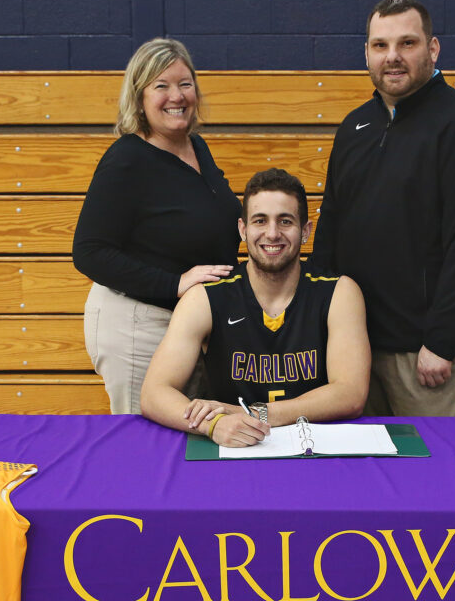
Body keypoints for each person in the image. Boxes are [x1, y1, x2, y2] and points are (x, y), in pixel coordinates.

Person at [310, 0, 455, 417]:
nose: (392, 57)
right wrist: (317, 326)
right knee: (363, 478)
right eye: (380, 45)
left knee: (440, 478)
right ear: (366, 53)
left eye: (407, 44)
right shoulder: (354, 128)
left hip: (429, 357)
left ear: (432, 49)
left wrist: (441, 341)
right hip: (355, 351)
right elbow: (330, 235)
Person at [141, 168, 370, 447]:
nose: (272, 234)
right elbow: (154, 393)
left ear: (306, 231)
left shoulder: (339, 292)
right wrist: (213, 424)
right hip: (233, 445)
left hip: (315, 445)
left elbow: (350, 394)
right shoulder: (205, 297)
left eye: (285, 221)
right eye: (260, 221)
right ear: (243, 229)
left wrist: (257, 414)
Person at [72, 38, 240, 414]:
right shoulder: (127, 160)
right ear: (140, 98)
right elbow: (88, 252)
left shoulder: (197, 147)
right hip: (137, 326)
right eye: (160, 86)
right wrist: (174, 283)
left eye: (184, 83)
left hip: (190, 325)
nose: (175, 96)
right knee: (144, 447)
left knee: (187, 443)